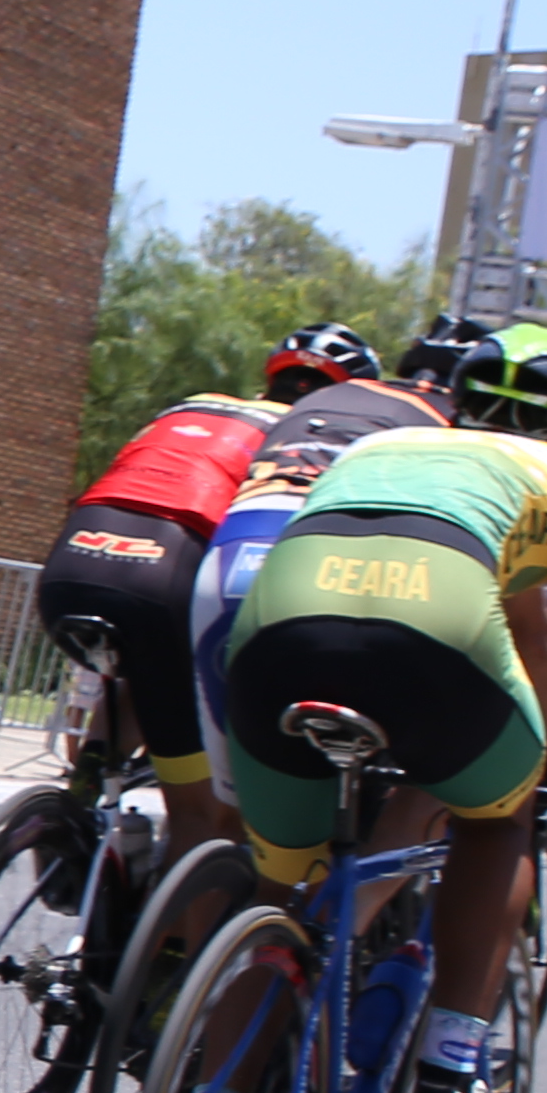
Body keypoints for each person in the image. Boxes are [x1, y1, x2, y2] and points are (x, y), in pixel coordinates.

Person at [209, 341, 547, 1093]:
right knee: (501, 812)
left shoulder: (387, 444)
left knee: (284, 899)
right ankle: (451, 1073)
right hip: (431, 629)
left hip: (275, 629)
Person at [35, 324, 357, 869]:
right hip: (167, 573)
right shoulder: (305, 438)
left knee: (145, 672)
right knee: (201, 814)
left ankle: (78, 795)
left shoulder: (197, 404)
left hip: (73, 562)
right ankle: (172, 952)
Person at [186, 323, 460, 768]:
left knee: (226, 809)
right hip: (324, 558)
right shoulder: (450, 425)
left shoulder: (293, 412)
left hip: (232, 548)